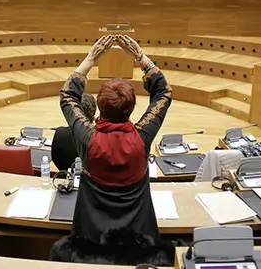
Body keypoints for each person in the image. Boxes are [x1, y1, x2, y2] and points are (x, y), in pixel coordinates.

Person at [60, 35, 172, 245]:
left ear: (100, 107)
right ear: (131, 108)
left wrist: (90, 59)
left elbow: (67, 94)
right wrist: (141, 57)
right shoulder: (142, 137)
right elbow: (164, 92)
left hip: (91, 242)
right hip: (138, 242)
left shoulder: (88, 139)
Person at [52, 93, 96, 172]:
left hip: (65, 176)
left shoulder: (60, 133)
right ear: (94, 111)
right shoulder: (98, 138)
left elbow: (55, 157)